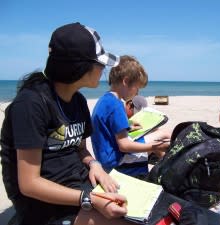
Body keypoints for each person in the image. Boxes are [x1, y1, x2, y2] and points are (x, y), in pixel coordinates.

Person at [0, 22, 134, 225]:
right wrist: (89, 199)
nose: (103, 69)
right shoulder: (31, 104)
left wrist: (94, 164)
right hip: (43, 204)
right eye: (100, 63)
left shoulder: (77, 101)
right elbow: (29, 184)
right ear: (80, 67)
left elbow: (80, 149)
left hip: (77, 185)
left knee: (141, 211)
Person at [91, 55, 170, 178]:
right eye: (137, 88)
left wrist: (128, 126)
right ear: (126, 81)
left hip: (105, 156)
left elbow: (109, 128)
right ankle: (170, 168)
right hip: (116, 161)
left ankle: (165, 164)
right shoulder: (116, 105)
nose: (137, 93)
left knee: (159, 135)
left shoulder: (105, 100)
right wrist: (156, 147)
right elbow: (124, 146)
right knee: (163, 136)